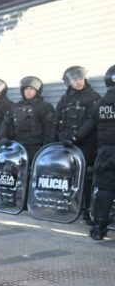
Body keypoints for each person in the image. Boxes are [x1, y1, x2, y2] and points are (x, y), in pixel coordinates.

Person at [54, 66, 101, 224]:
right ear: (69, 82)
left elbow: (92, 121)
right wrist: (61, 137)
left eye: (80, 78)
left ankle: (87, 211)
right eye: (75, 79)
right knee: (66, 174)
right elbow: (57, 120)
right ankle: (66, 205)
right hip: (67, 143)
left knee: (87, 176)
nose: (78, 82)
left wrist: (76, 137)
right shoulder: (64, 99)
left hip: (86, 144)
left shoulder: (93, 96)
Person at [0, 76, 55, 164]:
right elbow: (6, 122)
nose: (28, 91)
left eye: (32, 89)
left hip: (36, 147)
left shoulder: (45, 106)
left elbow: (50, 128)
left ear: (37, 91)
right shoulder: (15, 106)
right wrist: (3, 136)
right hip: (17, 146)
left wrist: (45, 147)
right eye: (26, 89)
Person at [88, 64, 115, 240]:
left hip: (105, 152)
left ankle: (98, 229)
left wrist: (71, 139)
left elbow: (89, 125)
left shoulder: (100, 104)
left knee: (104, 192)